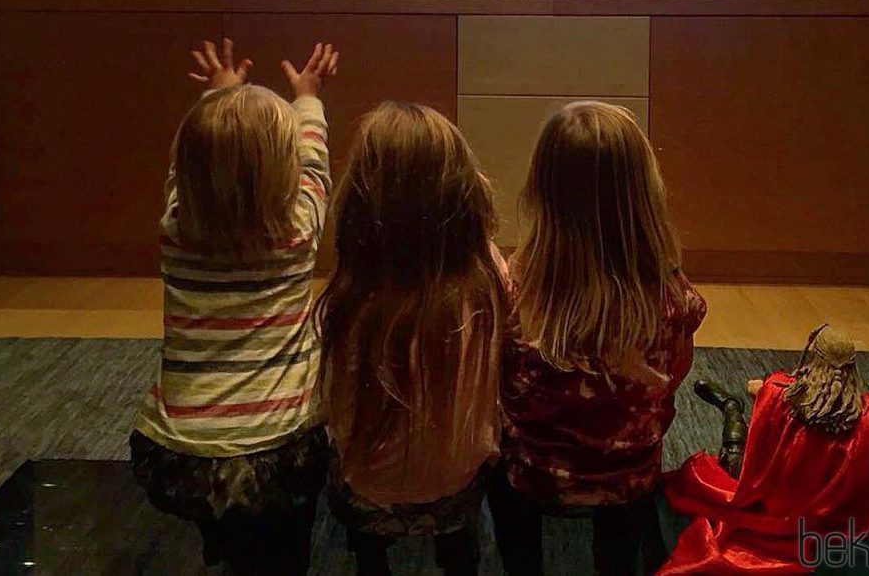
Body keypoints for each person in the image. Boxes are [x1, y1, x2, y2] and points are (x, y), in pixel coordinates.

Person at [130, 37, 339, 575]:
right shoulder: (299, 231)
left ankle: (222, 532)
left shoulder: (176, 229)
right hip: (281, 458)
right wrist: (308, 97)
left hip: (179, 461)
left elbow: (190, 160)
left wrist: (217, 98)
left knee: (227, 515)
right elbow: (314, 163)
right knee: (285, 534)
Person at [491, 101, 707, 576]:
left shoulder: (512, 292)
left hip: (530, 476)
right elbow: (672, 380)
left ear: (542, 191)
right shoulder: (674, 300)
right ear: (643, 193)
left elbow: (495, 384)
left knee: (499, 480)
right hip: (628, 476)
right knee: (625, 527)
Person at [316, 102, 509, 575]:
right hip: (458, 486)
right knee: (465, 533)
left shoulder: (348, 294)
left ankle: (371, 562)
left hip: (364, 490)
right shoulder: (487, 277)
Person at [660, 325, 869, 575]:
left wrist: (767, 390)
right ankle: (731, 409)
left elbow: (754, 394)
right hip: (828, 521)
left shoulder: (780, 393)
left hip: (772, 503)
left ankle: (731, 408)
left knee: (705, 469)